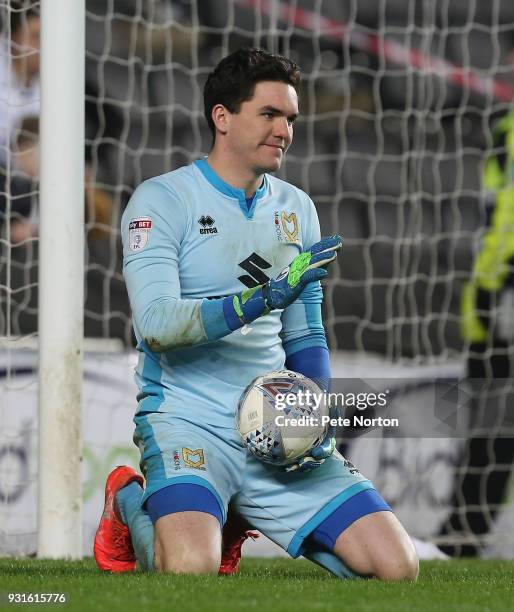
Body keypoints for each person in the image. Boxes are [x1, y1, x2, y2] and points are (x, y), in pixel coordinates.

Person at [93, 47, 418, 579]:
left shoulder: (297, 209)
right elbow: (155, 326)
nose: (284, 130)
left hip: (273, 423)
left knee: (397, 569)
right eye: (269, 114)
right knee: (190, 571)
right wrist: (262, 297)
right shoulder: (162, 201)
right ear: (222, 118)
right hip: (189, 421)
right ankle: (131, 504)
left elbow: (306, 331)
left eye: (290, 118)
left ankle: (236, 511)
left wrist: (311, 418)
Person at [439, 108, 514, 556]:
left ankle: (463, 534)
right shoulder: (505, 129)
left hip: (501, 291)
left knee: (495, 425)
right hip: (496, 293)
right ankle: (463, 532)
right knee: (493, 426)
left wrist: (497, 289)